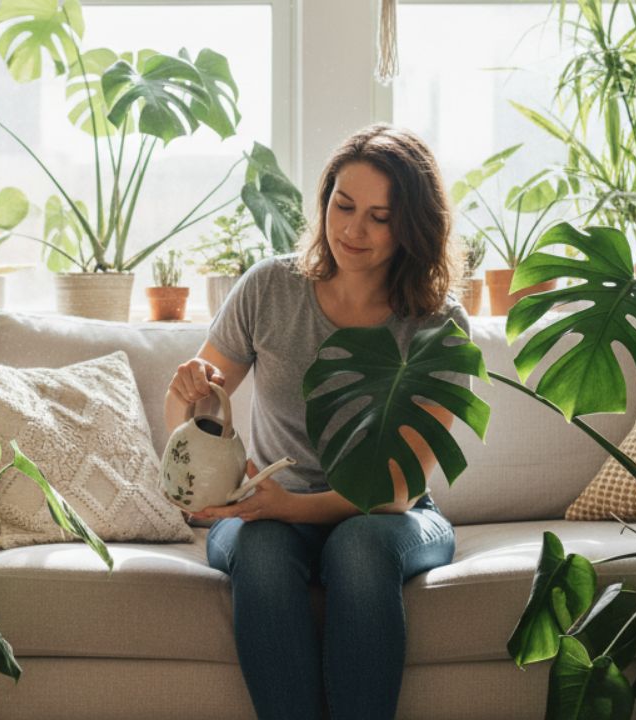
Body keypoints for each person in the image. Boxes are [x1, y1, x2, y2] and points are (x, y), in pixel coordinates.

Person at [164, 124, 469, 720]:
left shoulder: (438, 323)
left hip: (393, 514)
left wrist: (289, 506)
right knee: (264, 551)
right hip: (266, 508)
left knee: (357, 549)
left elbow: (397, 488)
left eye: (380, 217)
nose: (354, 230)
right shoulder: (270, 288)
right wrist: (187, 394)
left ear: (413, 225)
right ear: (324, 197)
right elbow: (195, 414)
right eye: (343, 204)